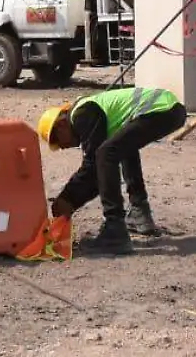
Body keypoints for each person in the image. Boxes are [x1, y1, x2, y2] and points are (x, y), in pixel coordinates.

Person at [37, 85, 187, 252]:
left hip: (161, 109)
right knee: (118, 149)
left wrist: (68, 199)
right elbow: (98, 174)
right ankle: (139, 212)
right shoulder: (90, 112)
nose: (63, 147)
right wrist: (72, 200)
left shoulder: (82, 114)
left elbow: (92, 166)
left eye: (58, 141)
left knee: (106, 153)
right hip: (170, 109)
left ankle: (115, 227)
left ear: (61, 125)